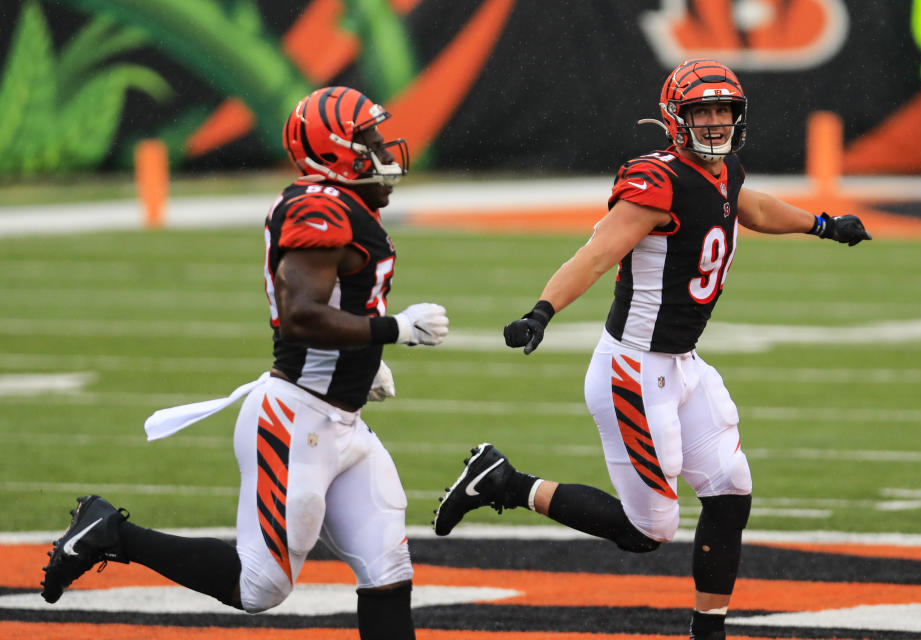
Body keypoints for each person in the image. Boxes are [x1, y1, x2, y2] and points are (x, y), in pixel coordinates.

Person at [431, 59, 871, 640]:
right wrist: (542, 311)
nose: (714, 123)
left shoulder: (723, 168)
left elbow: (751, 206)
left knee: (731, 490)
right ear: (675, 117)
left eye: (722, 111)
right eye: (702, 111)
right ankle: (505, 482)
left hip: (683, 364)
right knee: (649, 531)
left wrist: (822, 223)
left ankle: (708, 632)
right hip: (634, 371)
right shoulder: (656, 180)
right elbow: (597, 253)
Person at [41, 86, 450, 640]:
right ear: (335, 153)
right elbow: (300, 314)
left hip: (340, 423)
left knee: (388, 569)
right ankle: (112, 533)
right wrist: (393, 330)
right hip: (296, 422)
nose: (383, 153)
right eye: (369, 142)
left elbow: (334, 303)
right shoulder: (319, 207)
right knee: (260, 587)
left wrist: (361, 359)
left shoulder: (339, 203)